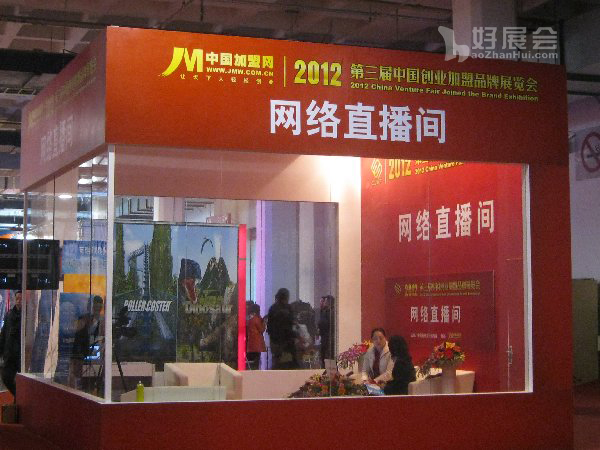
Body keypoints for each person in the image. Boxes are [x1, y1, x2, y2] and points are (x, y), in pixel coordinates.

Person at [266, 288, 297, 369]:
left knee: (277, 363)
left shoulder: (273, 308)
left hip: (275, 341)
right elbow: (289, 326)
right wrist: (296, 335)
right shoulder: (288, 309)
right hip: (287, 342)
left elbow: (269, 326)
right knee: (289, 364)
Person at [0, 291, 22, 398]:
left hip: (21, 356)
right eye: (17, 299)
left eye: (21, 299)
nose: (18, 301)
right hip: (10, 354)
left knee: (22, 380)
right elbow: (4, 335)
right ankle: (19, 397)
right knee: (6, 377)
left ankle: (19, 399)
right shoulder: (9, 315)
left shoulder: (27, 315)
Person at [246, 303, 266, 369]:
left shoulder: (250, 318)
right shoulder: (256, 319)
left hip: (251, 343)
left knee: (251, 360)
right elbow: (261, 329)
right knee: (256, 361)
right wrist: (264, 323)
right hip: (256, 344)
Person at [317, 295, 335, 368]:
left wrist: (319, 328)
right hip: (325, 338)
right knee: (324, 357)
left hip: (328, 339)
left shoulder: (331, 312)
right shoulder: (325, 312)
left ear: (328, 302)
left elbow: (324, 324)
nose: (323, 303)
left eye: (325, 301)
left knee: (327, 358)